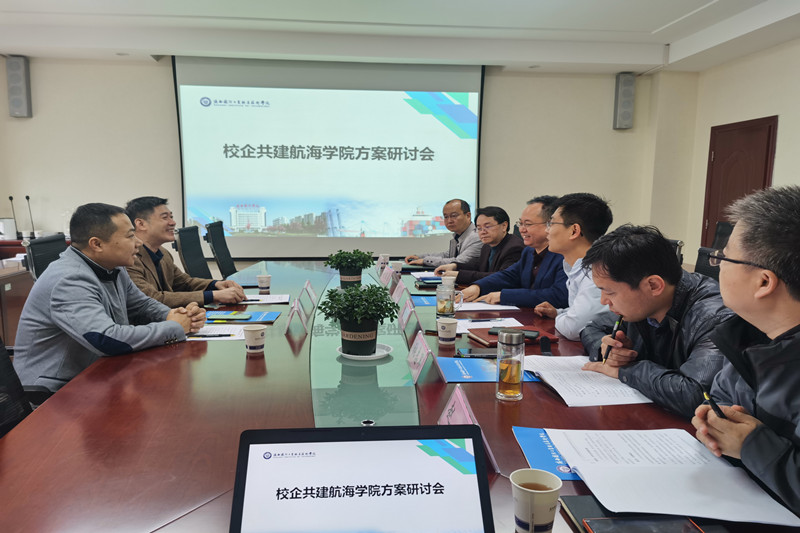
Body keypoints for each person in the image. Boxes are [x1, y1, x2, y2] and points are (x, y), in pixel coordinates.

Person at [13, 203, 206, 391]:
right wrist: (175, 326)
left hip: (96, 377)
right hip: (53, 392)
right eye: (130, 236)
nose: (138, 242)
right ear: (97, 244)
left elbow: (142, 304)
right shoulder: (69, 279)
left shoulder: (113, 266)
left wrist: (173, 314)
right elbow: (107, 339)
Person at [692, 186, 800, 516]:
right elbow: (722, 399)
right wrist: (714, 423)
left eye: (724, 257)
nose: (717, 266)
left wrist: (752, 445)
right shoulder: (750, 334)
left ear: (764, 282)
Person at [580, 225, 732, 418]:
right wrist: (607, 351)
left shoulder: (713, 317)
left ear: (653, 285)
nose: (603, 301)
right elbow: (591, 327)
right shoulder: (641, 304)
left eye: (609, 292)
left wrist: (626, 370)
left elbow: (696, 395)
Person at [125, 196, 245, 307]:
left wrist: (215, 284)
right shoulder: (129, 258)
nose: (173, 222)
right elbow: (152, 298)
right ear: (141, 224)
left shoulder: (163, 253)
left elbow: (184, 283)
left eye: (171, 217)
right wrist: (213, 296)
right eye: (165, 217)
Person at [460, 196, 568, 308]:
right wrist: (478, 287)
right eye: (520, 223)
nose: (522, 230)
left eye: (528, 224)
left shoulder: (564, 254)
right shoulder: (529, 251)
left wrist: (504, 296)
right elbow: (509, 275)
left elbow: (559, 296)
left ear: (550, 224)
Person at [533, 193, 612, 340]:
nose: (547, 230)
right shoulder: (578, 265)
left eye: (551, 223)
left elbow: (574, 328)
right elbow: (579, 314)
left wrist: (563, 317)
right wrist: (559, 313)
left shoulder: (598, 272)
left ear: (574, 231)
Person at [433, 206, 524, 285]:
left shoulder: (514, 248)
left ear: (504, 226)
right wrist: (454, 266)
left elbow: (500, 277)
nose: (483, 232)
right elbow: (477, 266)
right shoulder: (487, 246)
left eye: (487, 227)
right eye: (479, 228)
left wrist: (459, 275)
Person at [404, 199, 481, 268]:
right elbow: (447, 255)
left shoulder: (477, 237)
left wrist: (425, 261)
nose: (449, 221)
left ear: (468, 216)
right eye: (446, 217)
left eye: (454, 216)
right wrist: (419, 257)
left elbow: (459, 262)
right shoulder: (458, 236)